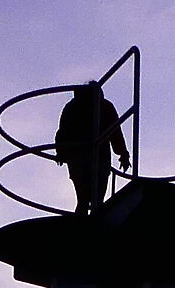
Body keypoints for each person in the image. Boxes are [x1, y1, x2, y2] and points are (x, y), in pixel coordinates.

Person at [54, 81, 130, 215]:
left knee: (83, 200)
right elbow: (115, 132)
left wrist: (61, 151)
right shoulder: (104, 105)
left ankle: (83, 225)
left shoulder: (72, 106)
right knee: (96, 201)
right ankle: (93, 226)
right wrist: (122, 153)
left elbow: (62, 132)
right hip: (95, 157)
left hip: (79, 156)